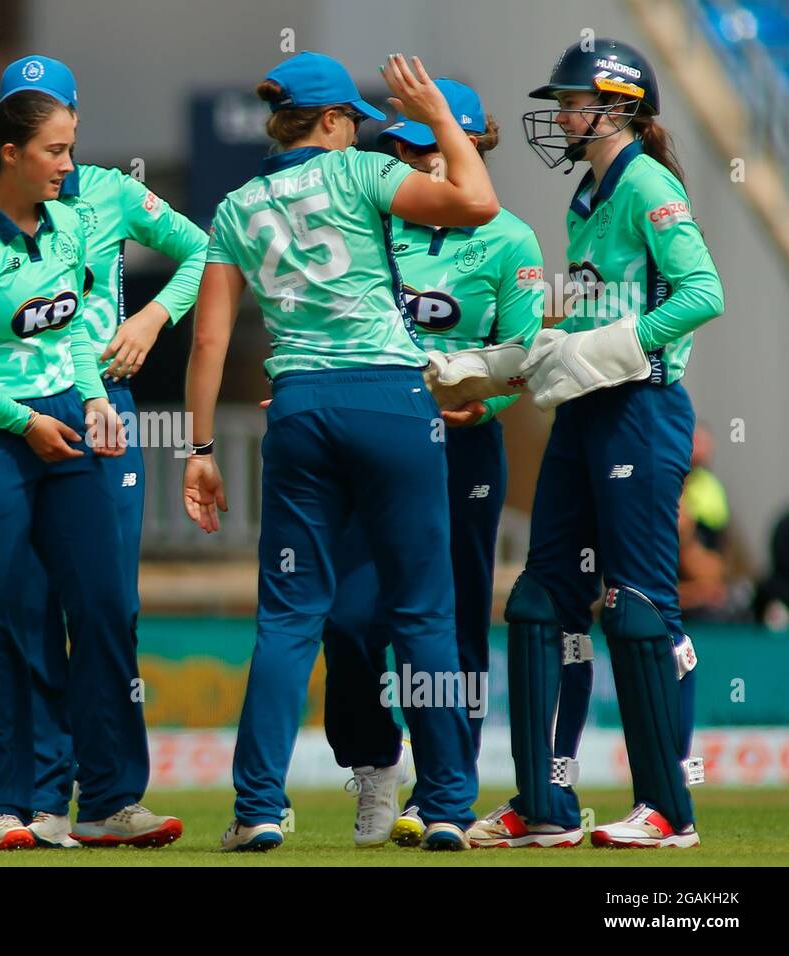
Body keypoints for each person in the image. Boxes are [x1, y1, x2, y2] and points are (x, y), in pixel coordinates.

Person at [184, 51, 500, 852]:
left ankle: (257, 807)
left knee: (289, 619)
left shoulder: (236, 204)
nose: (358, 129)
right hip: (391, 399)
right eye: (352, 119)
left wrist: (197, 447)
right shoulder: (359, 174)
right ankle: (449, 807)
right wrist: (436, 119)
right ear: (329, 121)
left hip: (297, 407)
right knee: (425, 609)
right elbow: (477, 201)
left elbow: (210, 340)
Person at [0, 87, 181, 850]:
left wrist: (92, 402)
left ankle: (108, 801)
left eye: (72, 148)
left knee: (107, 605)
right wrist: (24, 422)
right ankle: (6, 806)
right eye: (55, 150)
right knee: (1, 620)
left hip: (68, 424)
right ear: (10, 153)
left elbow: (76, 329)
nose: (69, 165)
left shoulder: (67, 225)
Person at [471, 38, 724, 849]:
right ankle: (543, 806)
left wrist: (624, 345)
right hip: (585, 413)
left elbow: (703, 292)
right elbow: (582, 321)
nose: (561, 116)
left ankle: (668, 812)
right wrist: (503, 368)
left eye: (574, 103)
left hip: (640, 409)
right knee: (541, 599)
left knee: (640, 606)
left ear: (618, 107)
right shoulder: (587, 193)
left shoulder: (647, 182)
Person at [318, 79, 544, 847]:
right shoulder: (377, 220)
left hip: (463, 448)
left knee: (451, 628)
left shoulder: (509, 238)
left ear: (469, 146)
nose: (409, 159)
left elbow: (527, 352)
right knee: (349, 621)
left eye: (425, 146)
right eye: (402, 147)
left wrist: (489, 404)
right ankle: (375, 762)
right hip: (374, 441)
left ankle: (444, 787)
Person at [0, 55, 208, 849]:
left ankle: (111, 797)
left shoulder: (112, 191)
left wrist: (151, 321)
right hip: (16, 409)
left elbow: (203, 251)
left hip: (107, 413)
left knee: (108, 603)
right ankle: (42, 797)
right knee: (29, 603)